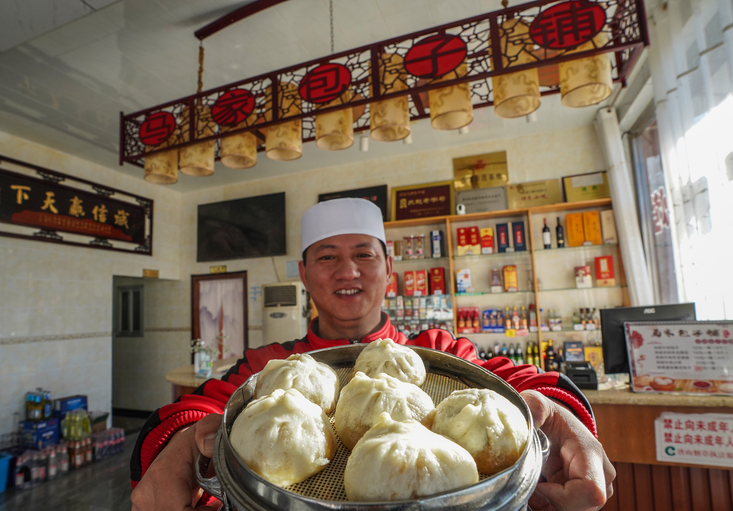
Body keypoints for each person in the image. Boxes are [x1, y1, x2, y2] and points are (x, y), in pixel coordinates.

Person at [130, 198, 615, 511]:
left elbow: (519, 382)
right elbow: (201, 407)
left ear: (388, 268)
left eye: (364, 254)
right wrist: (176, 445)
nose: (348, 271)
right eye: (327, 257)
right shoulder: (269, 362)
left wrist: (563, 419)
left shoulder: (438, 350)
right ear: (304, 274)